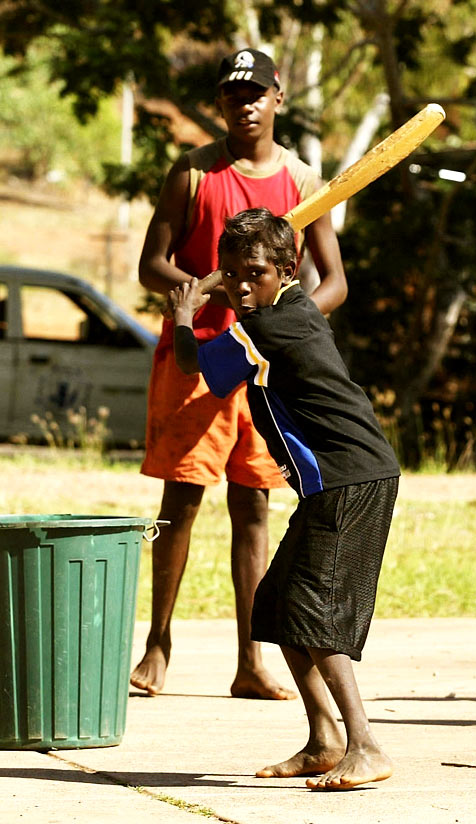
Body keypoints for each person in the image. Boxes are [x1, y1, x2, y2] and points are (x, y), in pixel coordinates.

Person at [133, 48, 347, 698]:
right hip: (195, 359)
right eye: (232, 94)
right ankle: (157, 645)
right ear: (220, 104)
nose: (244, 103)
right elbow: (152, 265)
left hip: (265, 363)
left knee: (253, 504)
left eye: (256, 92)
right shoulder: (193, 174)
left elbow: (331, 281)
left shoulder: (306, 184)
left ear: (278, 98)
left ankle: (251, 660)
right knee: (181, 499)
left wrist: (288, 318)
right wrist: (209, 293)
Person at [166, 208, 398, 789]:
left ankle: (365, 746)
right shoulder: (286, 308)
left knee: (314, 613)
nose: (243, 285)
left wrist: (185, 317)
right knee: (278, 607)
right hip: (332, 483)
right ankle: (325, 739)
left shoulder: (270, 325)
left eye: (255, 274)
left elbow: (193, 364)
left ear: (287, 270)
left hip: (350, 479)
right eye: (232, 274)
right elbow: (244, 300)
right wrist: (227, 277)